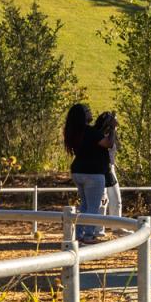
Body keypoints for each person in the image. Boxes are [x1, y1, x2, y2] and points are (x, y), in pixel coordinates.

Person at [62, 103, 110, 243]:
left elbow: (95, 136)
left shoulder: (75, 132)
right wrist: (112, 129)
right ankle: (89, 235)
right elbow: (108, 143)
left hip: (78, 171)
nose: (90, 112)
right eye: (87, 111)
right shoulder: (89, 131)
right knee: (93, 206)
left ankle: (78, 234)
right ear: (82, 116)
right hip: (93, 173)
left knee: (84, 205)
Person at [93, 111, 122, 225]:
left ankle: (117, 226)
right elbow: (109, 145)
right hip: (101, 168)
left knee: (116, 199)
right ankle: (99, 228)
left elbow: (117, 146)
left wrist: (114, 131)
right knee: (102, 200)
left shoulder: (111, 134)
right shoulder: (99, 135)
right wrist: (112, 129)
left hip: (111, 168)